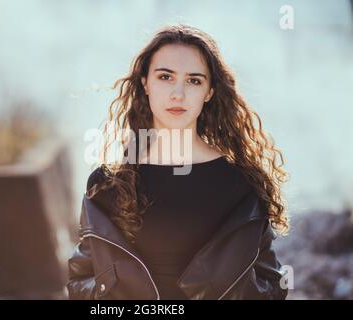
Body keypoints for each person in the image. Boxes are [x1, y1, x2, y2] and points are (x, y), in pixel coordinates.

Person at [67, 24, 289, 300]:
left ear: (209, 92)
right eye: (165, 77)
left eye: (194, 80)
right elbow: (81, 281)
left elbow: (270, 284)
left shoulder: (240, 182)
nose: (178, 94)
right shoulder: (108, 183)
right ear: (145, 83)